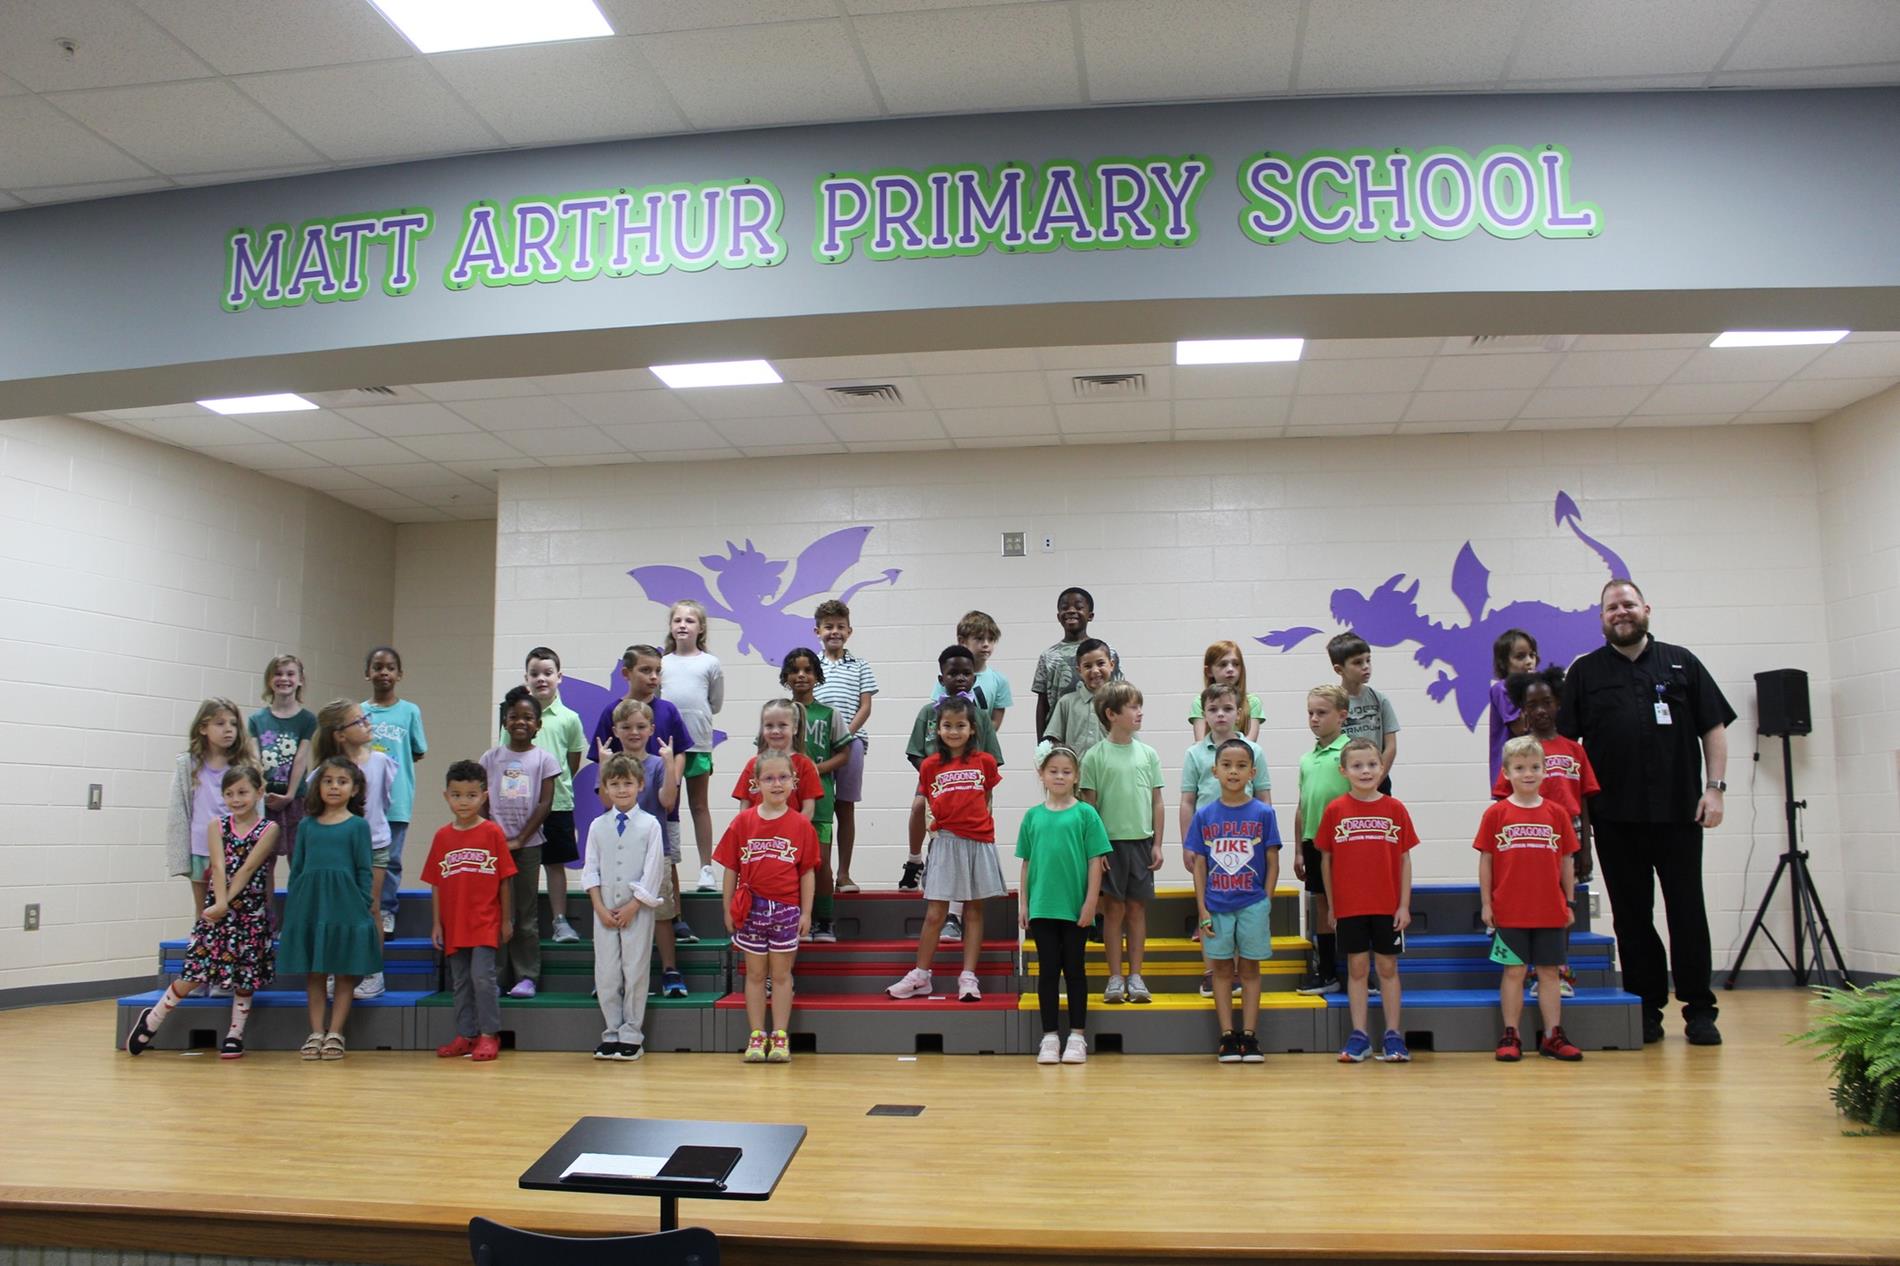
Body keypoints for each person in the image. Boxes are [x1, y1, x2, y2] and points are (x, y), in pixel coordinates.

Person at [1559, 578, 1733, 1047]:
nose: (1620, 612)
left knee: (1687, 911)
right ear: (1601, 619)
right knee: (1632, 916)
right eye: (1611, 607)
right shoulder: (1585, 673)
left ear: (1646, 609)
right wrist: (1574, 820)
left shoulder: (1683, 663)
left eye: (1628, 604)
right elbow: (1565, 747)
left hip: (1679, 813)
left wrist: (1714, 790)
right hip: (1615, 817)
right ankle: (1646, 1007)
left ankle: (1699, 1010)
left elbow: (1713, 727)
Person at [125, 767, 279, 1059]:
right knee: (196, 970)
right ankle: (152, 1018)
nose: (236, 799)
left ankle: (235, 1033)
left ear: (259, 793)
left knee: (245, 976)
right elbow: (219, 867)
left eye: (243, 792)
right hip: (217, 911)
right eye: (230, 794)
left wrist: (227, 902)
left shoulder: (269, 829)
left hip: (249, 912)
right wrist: (220, 903)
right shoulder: (216, 826)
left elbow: (248, 868)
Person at [887, 697, 1004, 1002]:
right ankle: (921, 975)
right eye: (947, 725)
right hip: (945, 841)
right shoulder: (929, 766)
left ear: (972, 728)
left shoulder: (986, 762)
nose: (954, 731)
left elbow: (987, 798)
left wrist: (980, 831)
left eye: (960, 725)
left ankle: (968, 976)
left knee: (974, 910)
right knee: (935, 912)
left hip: (978, 842)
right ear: (937, 729)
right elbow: (928, 804)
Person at [1493, 666, 1598, 998]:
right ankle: (1527, 969)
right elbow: (1502, 800)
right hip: (1529, 832)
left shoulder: (1574, 749)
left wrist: (1586, 848)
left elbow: (1584, 796)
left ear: (1558, 705)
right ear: (1522, 708)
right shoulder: (1518, 751)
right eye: (1532, 704)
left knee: (1563, 904)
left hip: (1570, 831)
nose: (1540, 710)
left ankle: (1557, 970)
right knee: (1530, 899)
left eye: (1547, 703)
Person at [1479, 736, 1584, 1063]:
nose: (1528, 773)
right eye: (1520, 767)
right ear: (1507, 773)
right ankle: (1511, 1034)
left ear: (1545, 772)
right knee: (1513, 972)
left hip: (1550, 909)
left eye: (1535, 767)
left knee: (1550, 972)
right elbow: (1486, 860)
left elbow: (1567, 861)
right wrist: (1486, 903)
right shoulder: (1496, 814)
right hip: (1510, 910)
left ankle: (1553, 1035)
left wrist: (1569, 902)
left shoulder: (1557, 814)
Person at [1316, 736, 1416, 1064]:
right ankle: (1359, 1035)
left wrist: (1403, 904)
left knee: (1387, 967)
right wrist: (1332, 905)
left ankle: (1393, 1035)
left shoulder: (1395, 808)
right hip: (1350, 907)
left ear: (1382, 767)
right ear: (1343, 770)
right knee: (1357, 969)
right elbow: (1326, 862)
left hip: (1388, 907)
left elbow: (1404, 859)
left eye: (1372, 764)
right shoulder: (1335, 810)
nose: (1366, 770)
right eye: (1357, 765)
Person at [716, 752, 819, 1063]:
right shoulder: (743, 822)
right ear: (756, 783)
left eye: (783, 778)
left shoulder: (801, 825)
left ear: (794, 782)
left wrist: (806, 912)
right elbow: (731, 868)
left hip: (786, 910)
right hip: (751, 909)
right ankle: (757, 1035)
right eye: (769, 778)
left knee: (782, 975)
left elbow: (807, 872)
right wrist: (726, 909)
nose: (777, 784)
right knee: (756, 975)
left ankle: (781, 1036)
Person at [590, 644, 696, 947]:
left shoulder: (668, 710)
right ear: (627, 673)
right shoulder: (611, 711)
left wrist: (669, 778)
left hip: (661, 799)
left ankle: (675, 917)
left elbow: (678, 753)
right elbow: (604, 760)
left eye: (657, 671)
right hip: (624, 810)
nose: (653, 677)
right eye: (645, 670)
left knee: (666, 860)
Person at [278, 756, 381, 1060]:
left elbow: (364, 869)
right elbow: (297, 869)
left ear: (354, 789)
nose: (334, 787)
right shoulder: (308, 825)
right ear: (318, 786)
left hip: (346, 905)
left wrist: (362, 902)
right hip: (311, 905)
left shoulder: (358, 826)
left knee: (345, 973)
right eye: (328, 780)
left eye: (342, 781)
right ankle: (315, 1032)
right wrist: (296, 906)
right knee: (315, 972)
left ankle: (335, 1032)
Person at [1186, 740, 1281, 1063]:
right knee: (1223, 970)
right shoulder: (1204, 815)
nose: (1233, 771)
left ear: (1252, 773)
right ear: (1215, 771)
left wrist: (1266, 899)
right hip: (1216, 905)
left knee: (1250, 969)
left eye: (1241, 766)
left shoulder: (1264, 813)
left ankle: (1250, 1036)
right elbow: (1199, 865)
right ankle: (1227, 1035)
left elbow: (1272, 859)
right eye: (1226, 765)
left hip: (1253, 903)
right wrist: (1202, 907)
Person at [903, 645, 1006, 931]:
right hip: (935, 785)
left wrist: (975, 786)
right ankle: (915, 863)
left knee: (967, 843)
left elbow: (993, 760)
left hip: (973, 789)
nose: (960, 678)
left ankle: (955, 916)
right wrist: (936, 778)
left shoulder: (980, 716)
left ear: (974, 678)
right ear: (941, 678)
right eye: (953, 673)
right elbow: (914, 752)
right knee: (929, 822)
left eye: (966, 673)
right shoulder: (928, 712)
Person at [1017, 742, 1108, 1065]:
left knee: (1074, 970)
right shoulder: (1032, 817)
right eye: (1053, 771)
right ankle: (1050, 1036)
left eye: (1066, 772)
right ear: (1042, 775)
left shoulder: (1086, 814)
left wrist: (1090, 903)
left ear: (1076, 777)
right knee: (1047, 972)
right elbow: (1027, 864)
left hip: (1074, 908)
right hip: (1042, 908)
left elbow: (1096, 861)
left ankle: (1077, 1036)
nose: (1059, 776)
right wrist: (1024, 904)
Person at [1179, 684, 1272, 997]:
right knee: (1209, 905)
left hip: (1245, 839)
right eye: (1213, 709)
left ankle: (1238, 969)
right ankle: (1212, 970)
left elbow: (1264, 796)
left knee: (1241, 902)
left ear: (1239, 713)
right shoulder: (1194, 754)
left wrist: (1264, 840)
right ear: (1203, 714)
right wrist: (1186, 843)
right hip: (1207, 839)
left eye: (1227, 709)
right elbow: (1188, 801)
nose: (1220, 715)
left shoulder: (1254, 751)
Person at [1079, 681, 1164, 1005]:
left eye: (1140, 705)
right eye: (1132, 707)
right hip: (1110, 845)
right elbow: (1090, 808)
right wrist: (1095, 850)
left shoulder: (1148, 754)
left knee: (1137, 910)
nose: (1139, 712)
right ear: (1111, 714)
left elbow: (1157, 801)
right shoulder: (1094, 757)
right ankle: (1114, 977)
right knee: (1113, 911)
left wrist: (1157, 843)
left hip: (1141, 844)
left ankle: (1136, 976)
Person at [425, 760, 514, 1063]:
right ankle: (466, 1034)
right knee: (460, 981)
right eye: (457, 795)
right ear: (446, 796)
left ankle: (490, 1034)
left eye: (471, 795)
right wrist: (436, 923)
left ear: (484, 796)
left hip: (485, 922)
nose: (464, 802)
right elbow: (436, 883)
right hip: (454, 924)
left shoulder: (492, 833)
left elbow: (504, 879)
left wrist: (506, 919)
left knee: (482, 978)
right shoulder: (441, 837)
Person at [309, 699, 397, 1000]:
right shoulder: (326, 771)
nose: (367, 723)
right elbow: (315, 808)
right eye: (359, 721)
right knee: (338, 911)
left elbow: (383, 803)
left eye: (366, 717)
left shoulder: (381, 762)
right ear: (340, 735)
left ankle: (374, 973)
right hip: (338, 848)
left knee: (371, 907)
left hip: (374, 844)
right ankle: (337, 969)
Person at [584, 753, 666, 1061]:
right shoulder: (597, 826)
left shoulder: (650, 825)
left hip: (637, 909)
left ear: (640, 785)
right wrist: (600, 907)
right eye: (614, 784)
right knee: (606, 973)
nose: (621, 790)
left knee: (634, 970)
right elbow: (590, 870)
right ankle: (611, 1032)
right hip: (603, 909)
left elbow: (653, 869)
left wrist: (634, 905)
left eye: (627, 783)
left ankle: (632, 1034)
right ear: (605, 787)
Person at [482, 687, 559, 999]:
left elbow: (545, 803)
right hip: (495, 847)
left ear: (538, 725)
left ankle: (526, 977)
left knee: (525, 915)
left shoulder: (544, 759)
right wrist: (496, 837)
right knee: (499, 913)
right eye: (513, 717)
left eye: (528, 717)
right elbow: (483, 800)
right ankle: (498, 977)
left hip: (528, 847)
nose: (520, 722)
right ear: (504, 721)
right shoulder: (490, 758)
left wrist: (521, 839)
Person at [608, 699, 687, 995]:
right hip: (619, 855)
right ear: (616, 730)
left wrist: (669, 764)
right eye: (626, 727)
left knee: (662, 914)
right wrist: (604, 765)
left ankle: (670, 971)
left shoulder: (656, 764)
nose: (634, 732)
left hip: (656, 853)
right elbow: (605, 803)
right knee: (620, 914)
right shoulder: (612, 764)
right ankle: (617, 976)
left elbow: (667, 802)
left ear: (652, 729)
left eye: (641, 726)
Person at [518, 647, 586, 945]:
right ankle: (525, 922)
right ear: (526, 679)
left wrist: (557, 786)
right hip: (522, 808)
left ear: (560, 677)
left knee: (555, 863)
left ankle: (560, 921)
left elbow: (572, 760)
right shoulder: (517, 718)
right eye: (535, 674)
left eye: (547, 673)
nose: (541, 679)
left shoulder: (569, 718)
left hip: (557, 803)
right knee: (525, 865)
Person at [781, 648, 850, 942]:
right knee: (787, 864)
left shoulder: (829, 714)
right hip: (783, 803)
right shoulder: (777, 713)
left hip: (819, 802)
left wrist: (814, 769)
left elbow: (845, 753)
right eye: (795, 671)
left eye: (807, 670)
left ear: (817, 676)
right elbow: (763, 754)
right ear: (786, 677)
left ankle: (824, 921)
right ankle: (792, 919)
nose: (801, 676)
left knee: (819, 863)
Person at [810, 599, 878, 893]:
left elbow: (865, 706)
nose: (834, 632)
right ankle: (815, 873)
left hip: (851, 743)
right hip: (818, 745)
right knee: (817, 808)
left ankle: (844, 873)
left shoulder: (860, 665)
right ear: (817, 631)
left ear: (849, 631)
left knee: (845, 807)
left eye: (840, 627)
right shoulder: (812, 665)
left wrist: (845, 735)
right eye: (828, 627)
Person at [166, 697, 256, 915]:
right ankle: (202, 947)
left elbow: (255, 807)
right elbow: (178, 809)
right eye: (220, 723)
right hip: (201, 848)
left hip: (236, 848)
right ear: (203, 728)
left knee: (237, 909)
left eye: (233, 724)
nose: (228, 730)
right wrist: (180, 854)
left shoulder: (244, 764)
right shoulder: (189, 764)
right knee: (204, 912)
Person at [363, 645, 427, 938]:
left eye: (390, 667)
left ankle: (385, 910)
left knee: (391, 858)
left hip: (397, 798)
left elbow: (416, 751)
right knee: (363, 857)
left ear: (399, 674)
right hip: (364, 800)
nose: (384, 672)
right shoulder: (360, 712)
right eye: (378, 667)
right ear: (368, 673)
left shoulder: (410, 711)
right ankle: (362, 907)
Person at [662, 600, 725, 891]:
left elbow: (715, 703)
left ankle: (706, 869)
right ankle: (663, 863)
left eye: (689, 620)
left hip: (698, 744)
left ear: (701, 628)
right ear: (671, 627)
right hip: (668, 746)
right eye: (678, 620)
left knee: (699, 805)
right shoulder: (662, 663)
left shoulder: (710, 663)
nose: (683, 625)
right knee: (665, 805)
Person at [1293, 685, 1351, 995]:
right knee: (1321, 903)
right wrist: (1300, 849)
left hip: (1346, 844)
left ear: (1342, 716)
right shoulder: (1307, 759)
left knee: (1353, 905)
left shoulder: (1351, 753)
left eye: (1321, 713)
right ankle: (1327, 971)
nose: (1314, 719)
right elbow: (1303, 806)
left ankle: (1358, 971)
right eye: (1310, 713)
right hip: (1314, 844)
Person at [248, 655, 313, 884]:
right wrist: (261, 793)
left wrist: (290, 795)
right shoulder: (257, 719)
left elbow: (301, 758)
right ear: (269, 680)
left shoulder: (306, 719)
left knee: (299, 860)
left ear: (300, 680)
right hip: (266, 799)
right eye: (278, 674)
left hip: (295, 799)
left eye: (290, 674)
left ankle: (298, 915)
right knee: (265, 861)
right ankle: (267, 915)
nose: (284, 678)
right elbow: (255, 758)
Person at [1032, 586, 1121, 738]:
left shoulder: (1108, 652)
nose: (1071, 611)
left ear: (1090, 615)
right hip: (1062, 734)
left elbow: (1120, 695)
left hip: (1102, 732)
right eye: (1065, 608)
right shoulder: (1048, 656)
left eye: (1079, 607)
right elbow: (1043, 704)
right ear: (1059, 616)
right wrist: (1042, 744)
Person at [731, 699, 824, 821]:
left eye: (782, 725)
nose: (775, 731)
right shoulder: (753, 764)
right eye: (769, 725)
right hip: (757, 837)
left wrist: (793, 833)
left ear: (795, 728)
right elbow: (744, 806)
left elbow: (808, 809)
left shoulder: (805, 765)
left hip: (790, 836)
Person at [1330, 632, 1399, 792]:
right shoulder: (1332, 702)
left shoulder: (1379, 699)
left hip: (1377, 778)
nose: (1366, 666)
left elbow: (1391, 746)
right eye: (1358, 662)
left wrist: (1377, 778)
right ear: (1339, 669)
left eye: (1368, 660)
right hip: (1344, 779)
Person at [1040, 638, 1116, 761]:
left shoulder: (1119, 703)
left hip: (1110, 776)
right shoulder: (1066, 703)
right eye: (1087, 666)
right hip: (1077, 777)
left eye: (1101, 663)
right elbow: (1054, 742)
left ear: (1112, 665)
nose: (1095, 670)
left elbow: (1130, 741)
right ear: (1079, 671)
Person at [934, 609, 1011, 729]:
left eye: (990, 639)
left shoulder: (1000, 680)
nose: (986, 644)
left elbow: (995, 722)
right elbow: (936, 713)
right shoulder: (947, 677)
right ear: (962, 641)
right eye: (979, 639)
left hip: (981, 743)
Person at [1487, 629, 1540, 785]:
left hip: (1534, 767)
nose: (1529, 661)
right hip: (1511, 773)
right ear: (1504, 662)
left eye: (1532, 655)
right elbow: (1521, 728)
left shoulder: (1538, 688)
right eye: (1520, 656)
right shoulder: (1502, 689)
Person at [1189, 640, 1264, 740]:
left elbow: (1251, 745)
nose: (1230, 669)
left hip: (1242, 755)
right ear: (1209, 671)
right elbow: (1200, 744)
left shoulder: (1252, 702)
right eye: (1223, 664)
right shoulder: (1199, 702)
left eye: (1236, 664)